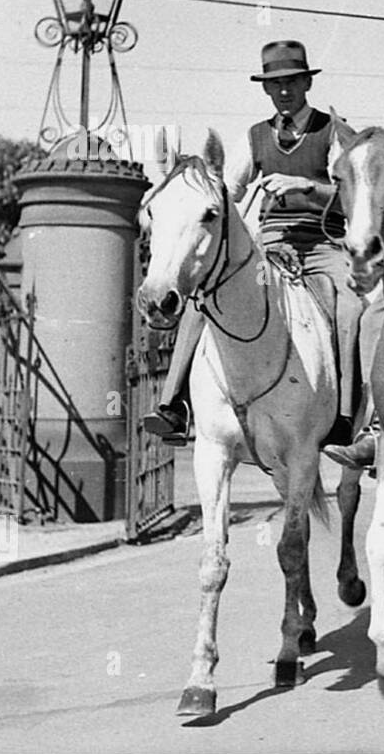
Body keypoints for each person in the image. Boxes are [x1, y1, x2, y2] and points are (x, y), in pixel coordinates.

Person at [143, 40, 365, 463]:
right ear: (266, 89)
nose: (283, 91)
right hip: (271, 242)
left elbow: (355, 194)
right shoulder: (255, 136)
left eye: (291, 82)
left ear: (306, 83)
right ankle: (174, 405)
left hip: (323, 243)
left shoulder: (331, 131)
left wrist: (308, 188)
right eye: (275, 84)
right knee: (204, 295)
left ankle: (345, 419)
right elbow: (228, 190)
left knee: (351, 307)